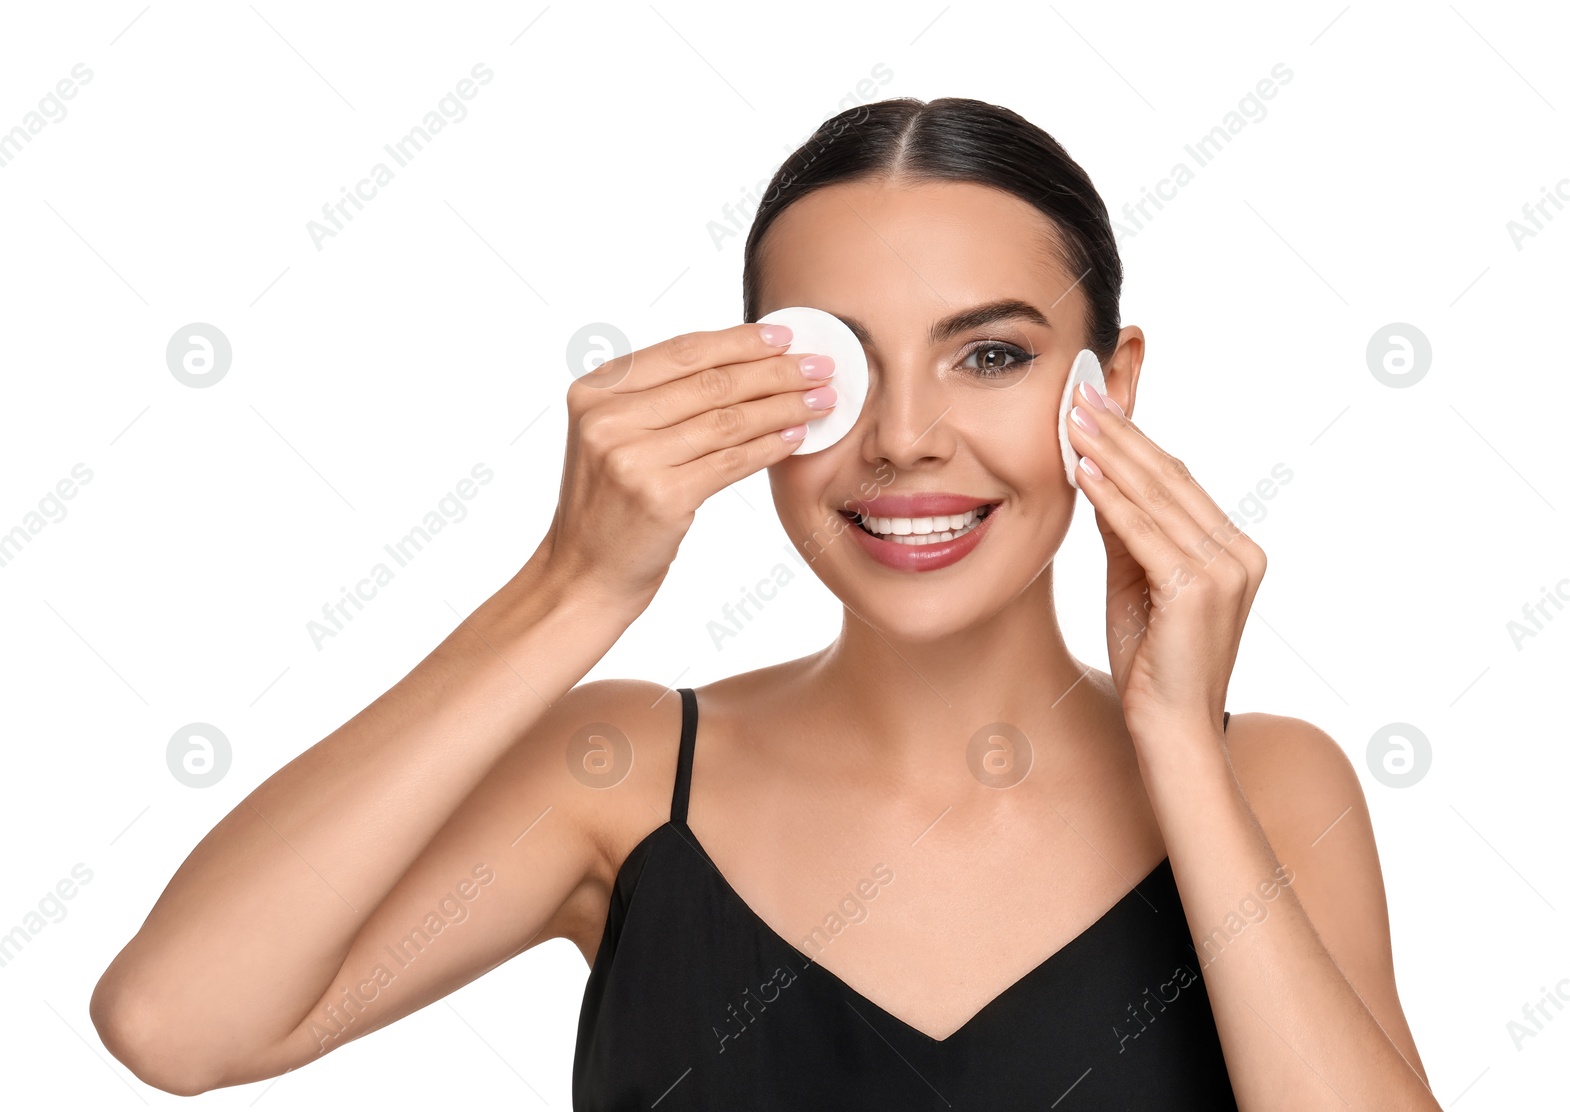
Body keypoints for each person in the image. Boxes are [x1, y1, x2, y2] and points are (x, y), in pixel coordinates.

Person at [90, 97, 1440, 1109]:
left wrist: (1177, 747)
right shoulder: (618, 775)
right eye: (839, 362)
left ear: (1113, 384)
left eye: (989, 354)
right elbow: (176, 1023)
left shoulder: (1262, 779)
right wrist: (574, 582)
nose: (907, 439)